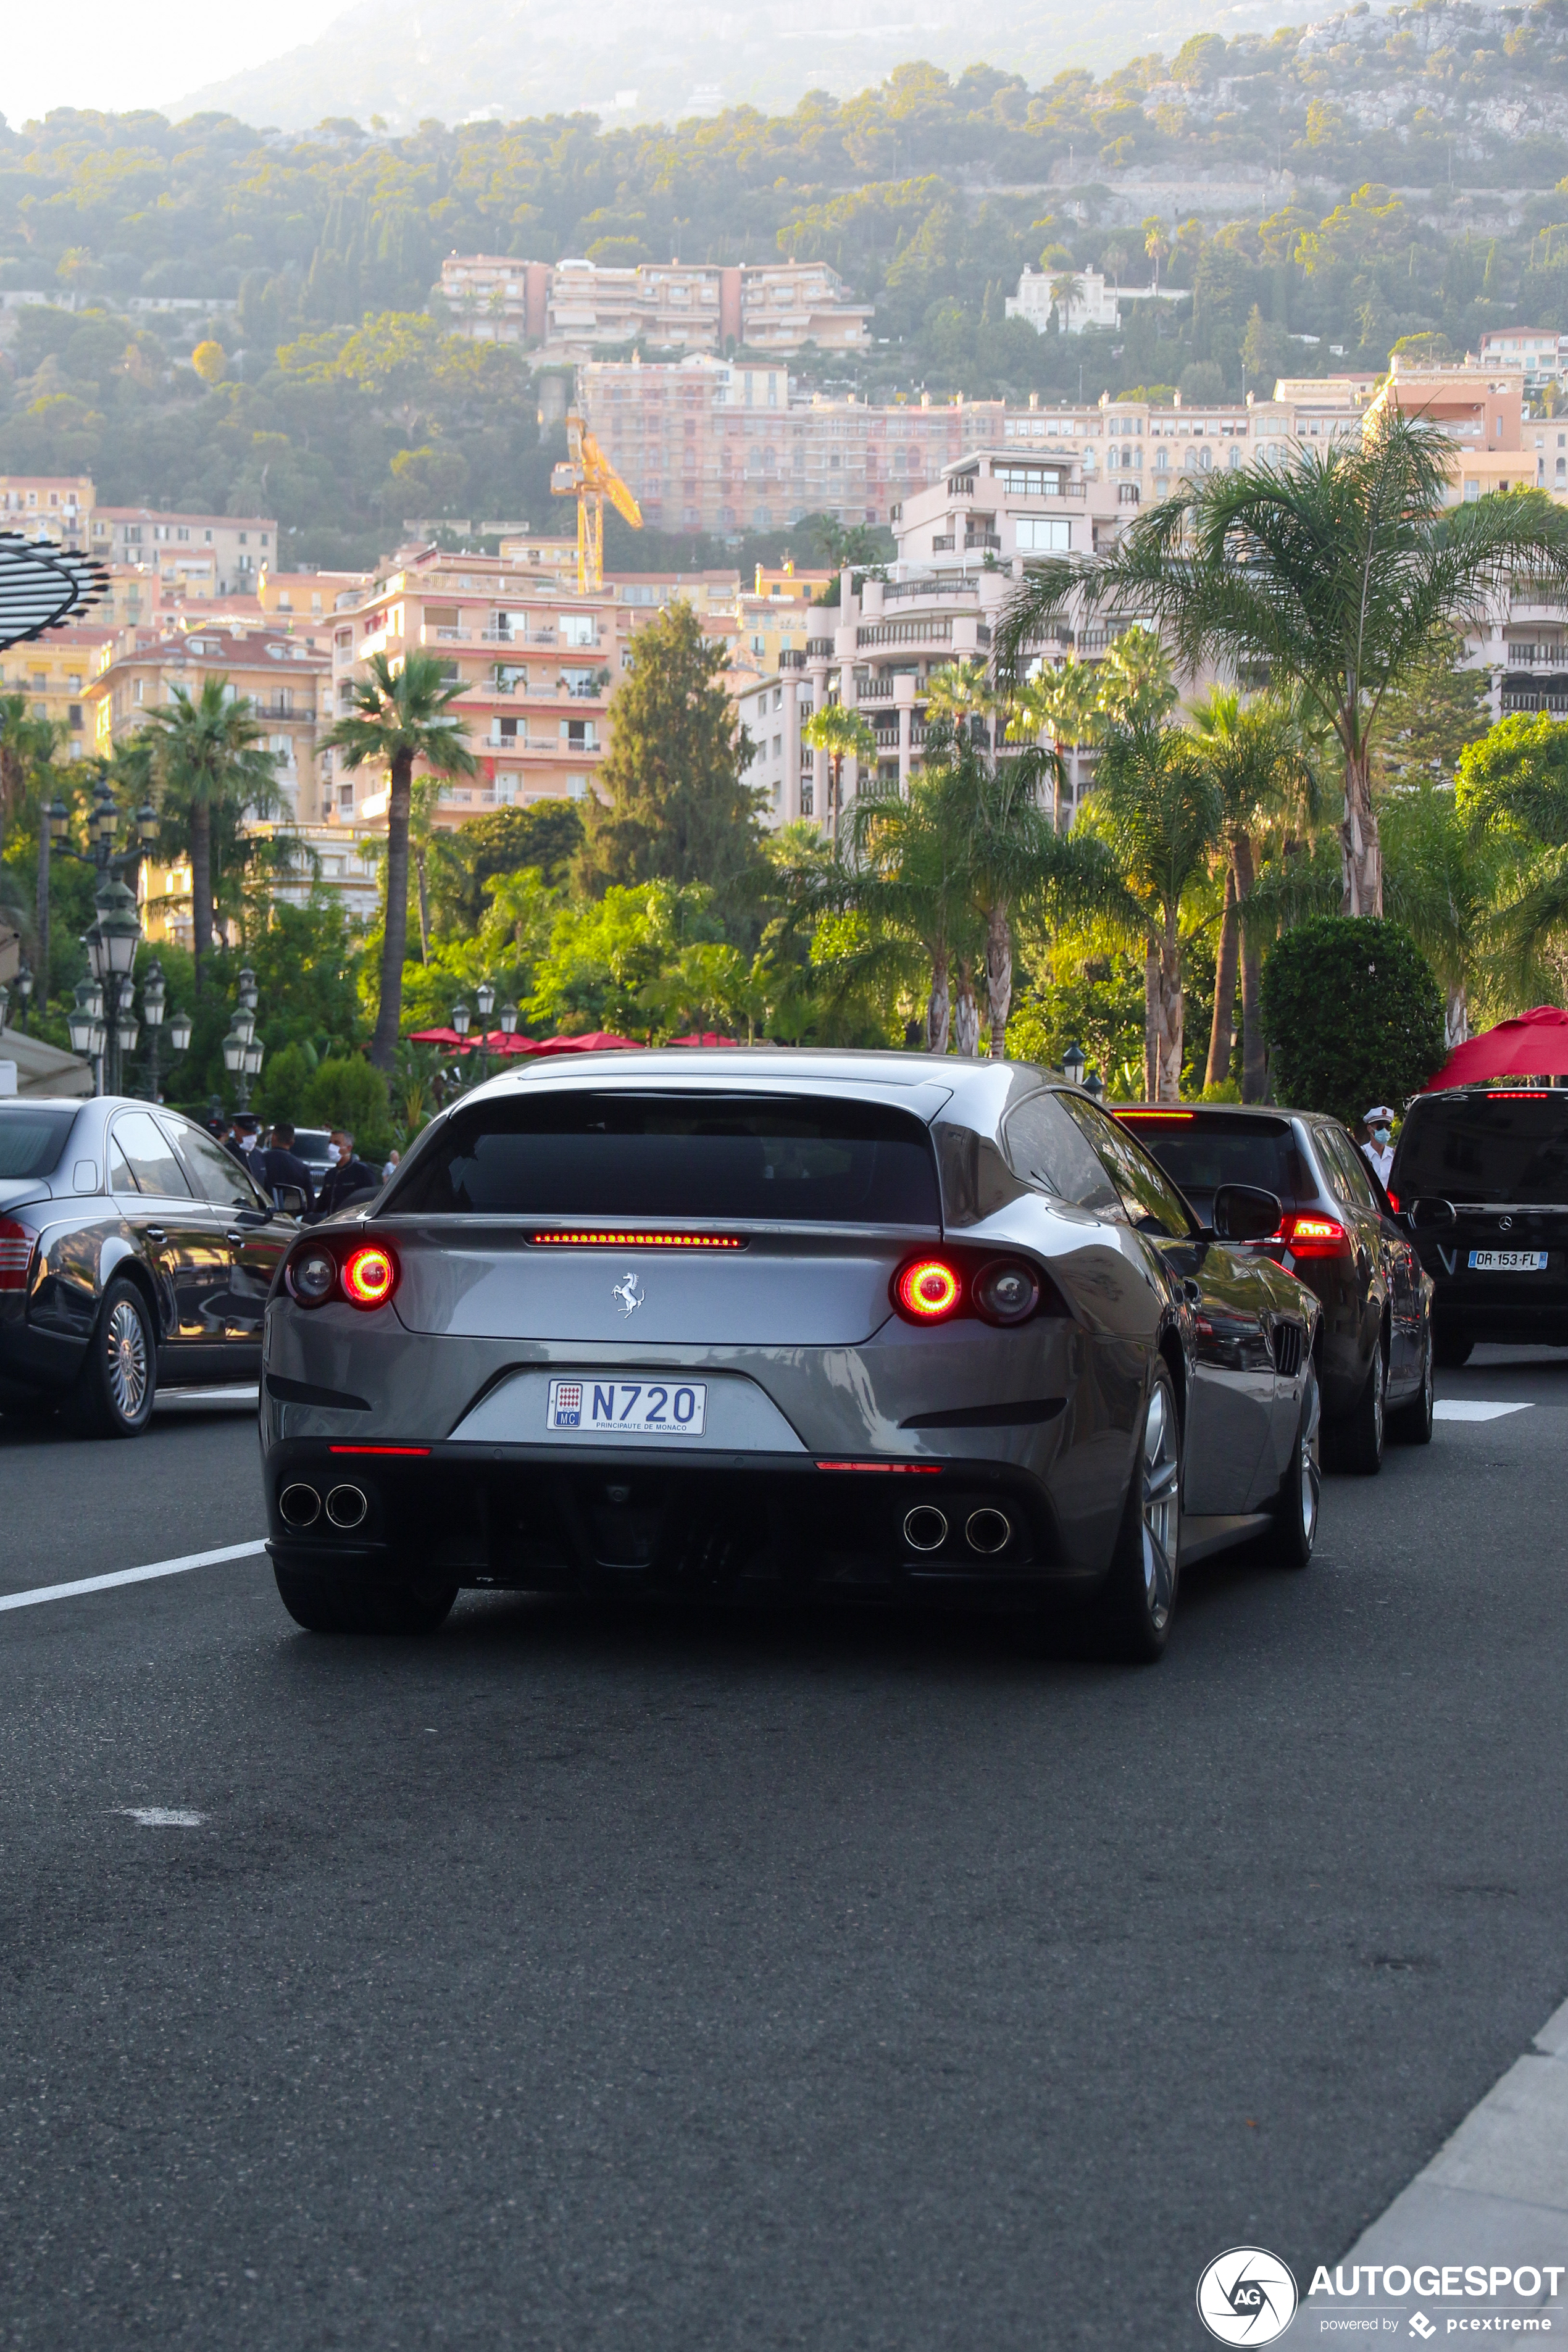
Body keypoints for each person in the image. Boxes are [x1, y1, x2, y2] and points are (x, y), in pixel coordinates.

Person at [312, 1127, 378, 1219]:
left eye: (337, 1143)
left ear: (349, 1148)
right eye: (330, 1143)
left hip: (352, 1224)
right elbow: (322, 1204)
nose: (332, 1147)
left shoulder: (362, 1172)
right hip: (331, 1223)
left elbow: (370, 1203)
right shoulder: (331, 1174)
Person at [258, 1121, 315, 1215]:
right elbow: (310, 1204)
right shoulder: (302, 1168)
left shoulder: (259, 1160)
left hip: (261, 1214)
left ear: (273, 1137)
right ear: (292, 1142)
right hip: (288, 1219)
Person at [1361, 1104, 1396, 1188]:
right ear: (1370, 1128)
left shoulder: (1394, 1156)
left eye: (1388, 1127)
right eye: (1380, 1127)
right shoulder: (1361, 1154)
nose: (1384, 1130)